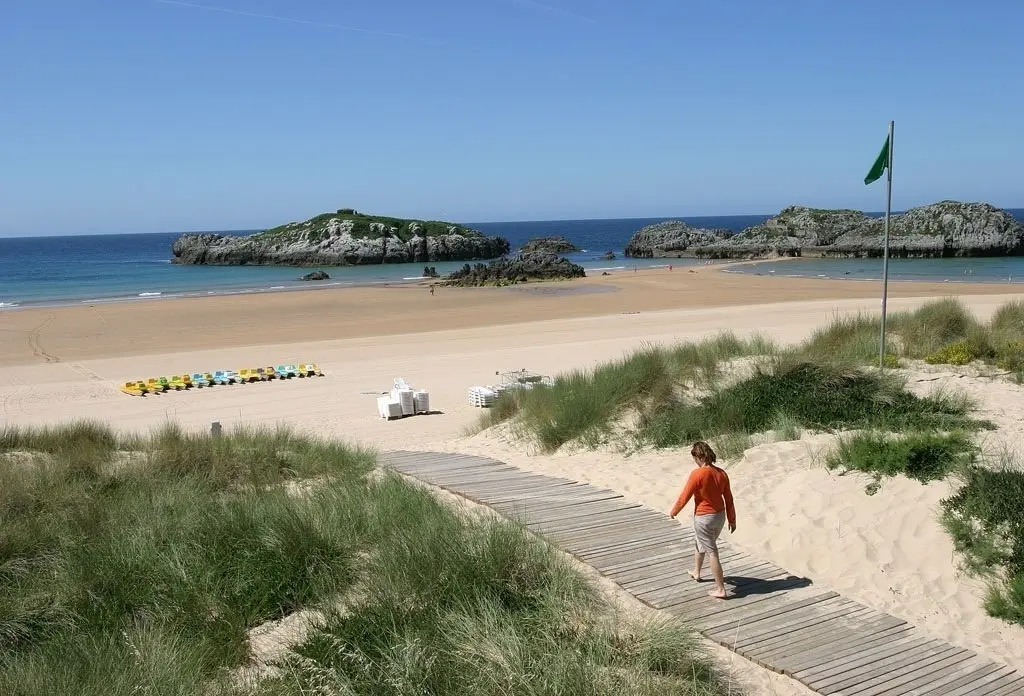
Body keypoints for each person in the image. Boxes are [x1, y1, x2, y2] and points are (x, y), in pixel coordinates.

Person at [669, 441, 736, 599]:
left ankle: (721, 589)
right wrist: (732, 519)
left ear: (699, 456)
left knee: (712, 551)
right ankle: (697, 572)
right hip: (719, 516)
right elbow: (729, 499)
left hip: (704, 517)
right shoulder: (721, 473)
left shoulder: (697, 474)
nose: (694, 461)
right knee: (700, 542)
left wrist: (674, 511)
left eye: (694, 457)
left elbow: (684, 496)